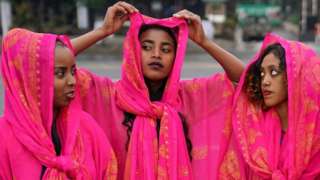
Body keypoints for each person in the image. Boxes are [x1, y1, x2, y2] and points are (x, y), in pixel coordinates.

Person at [71, 1, 244, 179]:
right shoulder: (107, 95)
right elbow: (49, 63)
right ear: (132, 51)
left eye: (166, 49)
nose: (156, 54)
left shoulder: (189, 96)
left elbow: (245, 79)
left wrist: (204, 41)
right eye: (146, 47)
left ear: (176, 58)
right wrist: (102, 31)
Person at [0, 28, 117, 179]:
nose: (73, 81)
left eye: (73, 71)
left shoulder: (86, 127)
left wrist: (103, 31)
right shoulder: (5, 136)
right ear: (34, 79)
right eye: (60, 73)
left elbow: (108, 171)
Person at [223, 33, 320, 179]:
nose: (265, 81)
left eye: (274, 72)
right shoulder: (255, 123)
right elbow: (242, 78)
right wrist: (204, 42)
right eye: (262, 74)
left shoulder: (314, 133)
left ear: (296, 76)